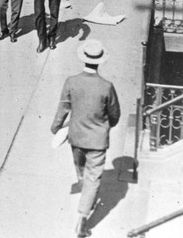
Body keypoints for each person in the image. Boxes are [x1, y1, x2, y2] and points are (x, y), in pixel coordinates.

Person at [50, 40, 120, 238]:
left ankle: (84, 188)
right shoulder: (107, 87)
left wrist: (56, 127)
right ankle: (82, 219)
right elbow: (115, 114)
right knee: (93, 178)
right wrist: (106, 126)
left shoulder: (71, 82)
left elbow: (63, 108)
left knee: (81, 169)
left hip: (76, 136)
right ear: (99, 62)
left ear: (83, 59)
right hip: (97, 140)